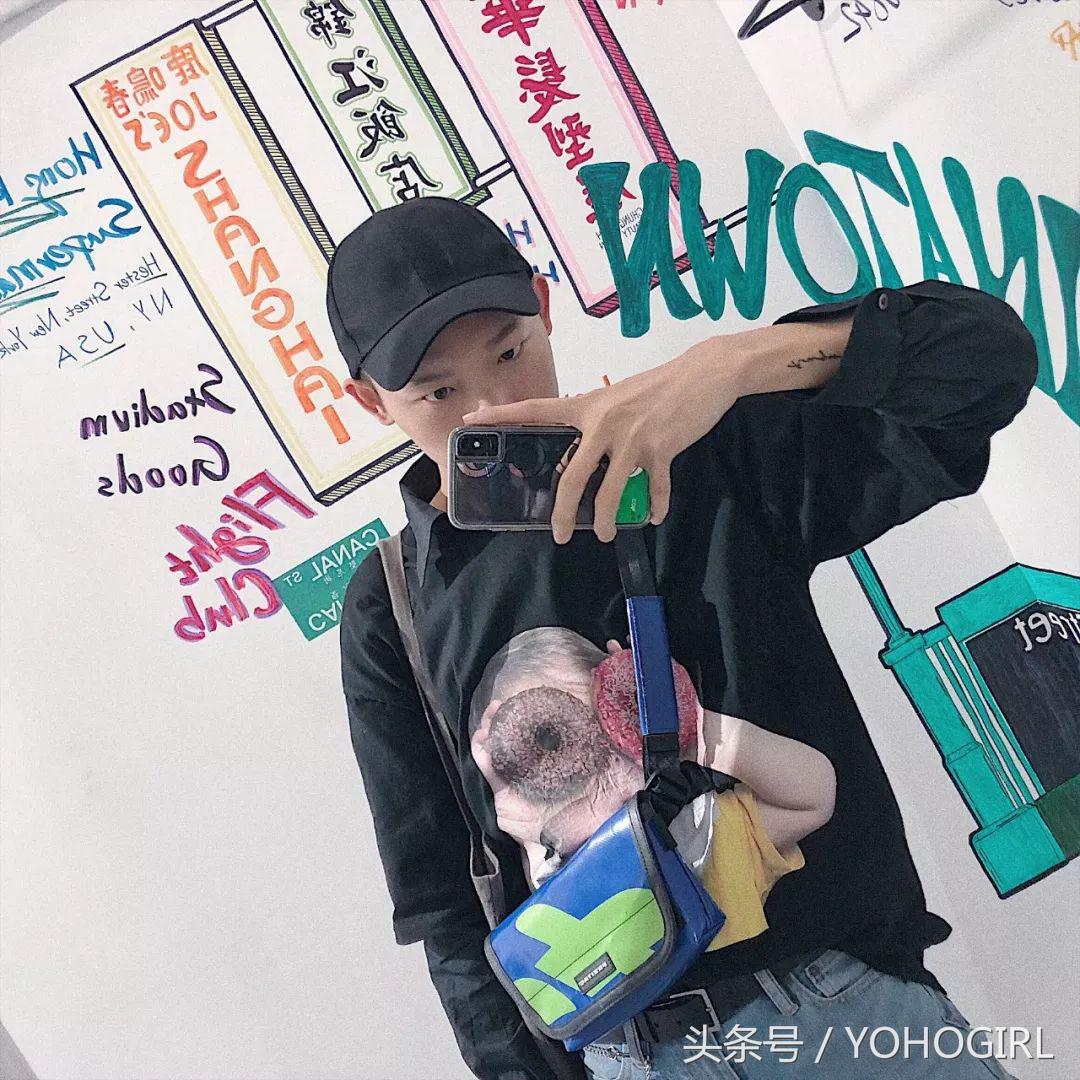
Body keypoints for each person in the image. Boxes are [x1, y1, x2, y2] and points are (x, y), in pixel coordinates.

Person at [326, 195, 1037, 1079]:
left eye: (510, 351)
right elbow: (442, 902)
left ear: (544, 306)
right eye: (439, 392)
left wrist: (733, 364)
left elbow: (991, 363)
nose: (498, 404)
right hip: (633, 1054)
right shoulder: (390, 605)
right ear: (370, 401)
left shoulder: (699, 454)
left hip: (840, 1017)